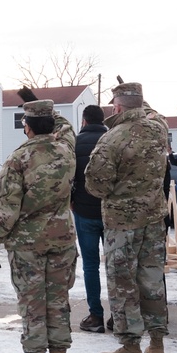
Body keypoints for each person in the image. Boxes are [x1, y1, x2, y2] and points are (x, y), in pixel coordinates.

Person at [0, 99, 78, 353]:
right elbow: (66, 128)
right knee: (58, 303)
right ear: (52, 124)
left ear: (26, 127)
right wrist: (50, 113)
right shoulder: (67, 153)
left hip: (28, 244)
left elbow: (8, 208)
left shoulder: (18, 159)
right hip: (63, 240)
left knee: (33, 305)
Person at [84, 82, 170, 353]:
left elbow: (95, 185)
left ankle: (130, 347)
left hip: (123, 223)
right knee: (152, 280)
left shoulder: (112, 139)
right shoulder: (159, 131)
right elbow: (151, 113)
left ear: (117, 107)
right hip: (155, 218)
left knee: (123, 283)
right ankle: (156, 345)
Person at [70, 104, 110, 333]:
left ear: (84, 121)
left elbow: (69, 176)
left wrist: (73, 200)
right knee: (115, 266)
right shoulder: (112, 140)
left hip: (84, 212)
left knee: (91, 266)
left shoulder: (74, 143)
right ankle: (118, 316)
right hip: (110, 213)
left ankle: (96, 315)